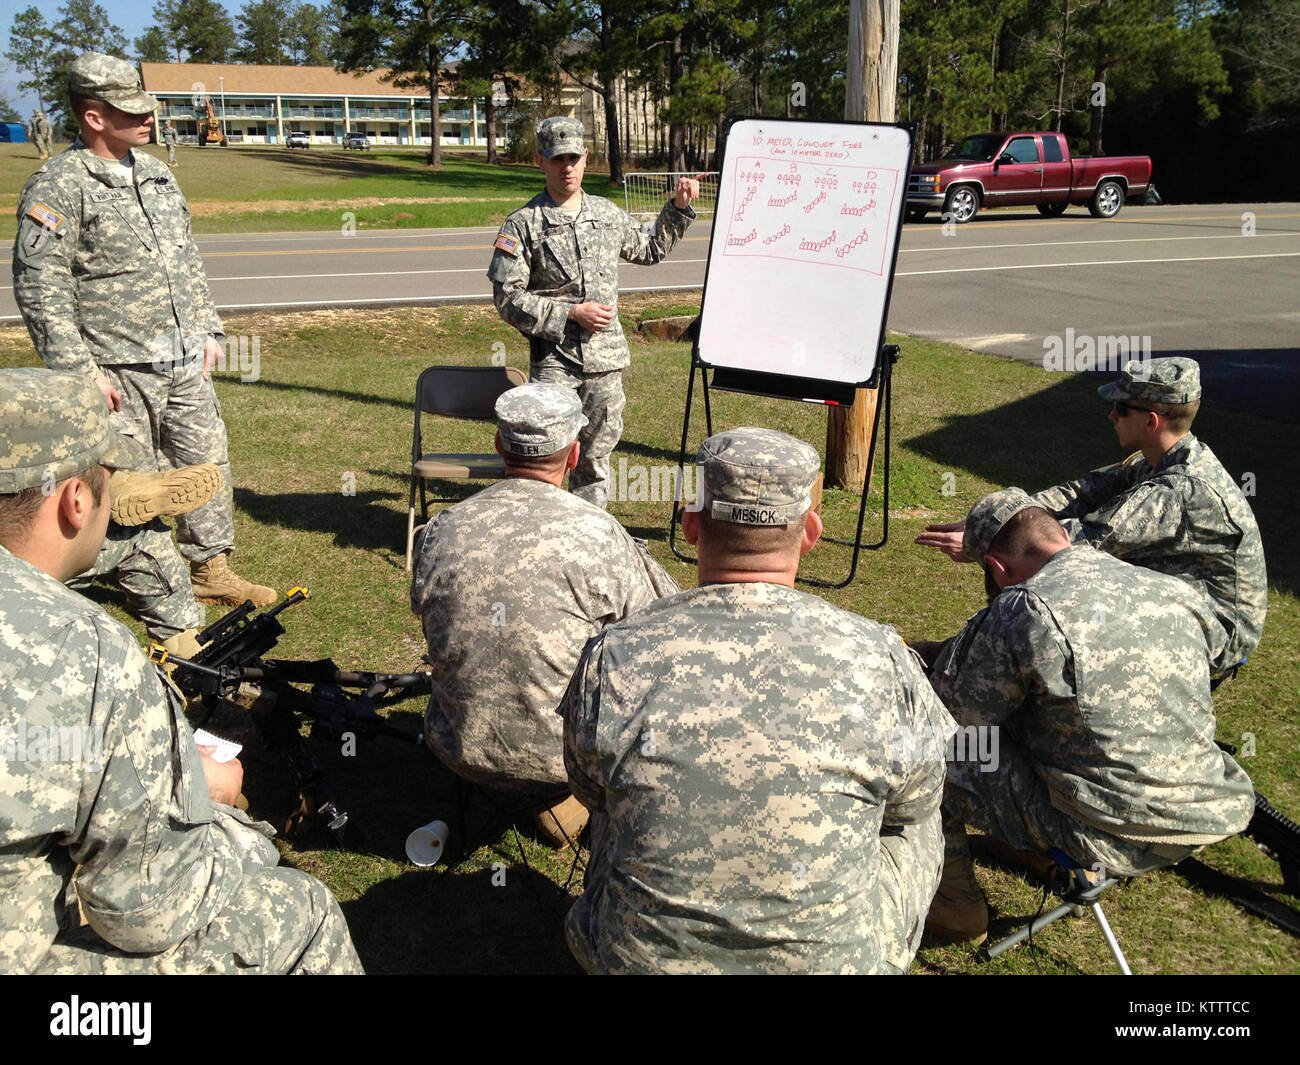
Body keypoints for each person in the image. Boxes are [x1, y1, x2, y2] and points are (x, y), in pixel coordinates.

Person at [0, 367, 363, 974]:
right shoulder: (84, 651)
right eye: (111, 480)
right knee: (301, 913)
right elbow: (148, 911)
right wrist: (209, 804)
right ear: (77, 500)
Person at [559, 427, 954, 973]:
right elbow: (915, 801)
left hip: (639, 964)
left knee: (615, 801)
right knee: (921, 820)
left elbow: (587, 788)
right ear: (811, 532)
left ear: (691, 524)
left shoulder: (613, 655)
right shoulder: (880, 657)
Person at [922, 488, 1256, 944]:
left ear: (997, 568)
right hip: (1207, 809)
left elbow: (954, 716)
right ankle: (1034, 850)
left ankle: (956, 910)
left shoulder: (1025, 608)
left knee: (925, 750)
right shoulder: (1169, 588)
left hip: (1108, 827)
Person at [12, 52, 276, 609]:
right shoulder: (58, 186)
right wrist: (79, 372)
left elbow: (186, 258)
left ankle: (210, 567)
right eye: (130, 111)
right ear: (93, 117)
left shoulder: (156, 172)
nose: (147, 118)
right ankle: (141, 584)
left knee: (206, 463)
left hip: (183, 358)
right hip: (116, 366)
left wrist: (208, 328)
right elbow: (41, 287)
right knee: (129, 481)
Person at [411, 382, 678, 843]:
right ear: (574, 455)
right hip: (565, 759)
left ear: (498, 446)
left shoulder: (441, 528)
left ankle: (550, 808)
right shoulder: (598, 534)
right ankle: (569, 810)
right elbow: (660, 622)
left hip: (457, 745)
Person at [916, 356, 1266, 674]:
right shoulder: (1163, 458)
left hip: (1217, 631)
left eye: (1121, 407)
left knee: (1062, 596)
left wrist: (992, 538)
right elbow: (1082, 491)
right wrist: (1006, 516)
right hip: (1179, 597)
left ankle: (960, 665)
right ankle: (962, 659)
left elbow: (1074, 543)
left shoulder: (1176, 492)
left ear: (1152, 421)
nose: (1111, 415)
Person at [487, 116, 701, 509]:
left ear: (586, 157)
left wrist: (677, 207)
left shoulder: (606, 214)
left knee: (595, 459)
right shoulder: (523, 224)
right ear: (540, 161)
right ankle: (546, 528)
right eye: (556, 159)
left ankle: (590, 529)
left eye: (573, 158)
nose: (566, 167)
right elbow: (507, 298)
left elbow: (649, 249)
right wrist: (570, 314)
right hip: (555, 362)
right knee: (545, 456)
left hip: (605, 361)